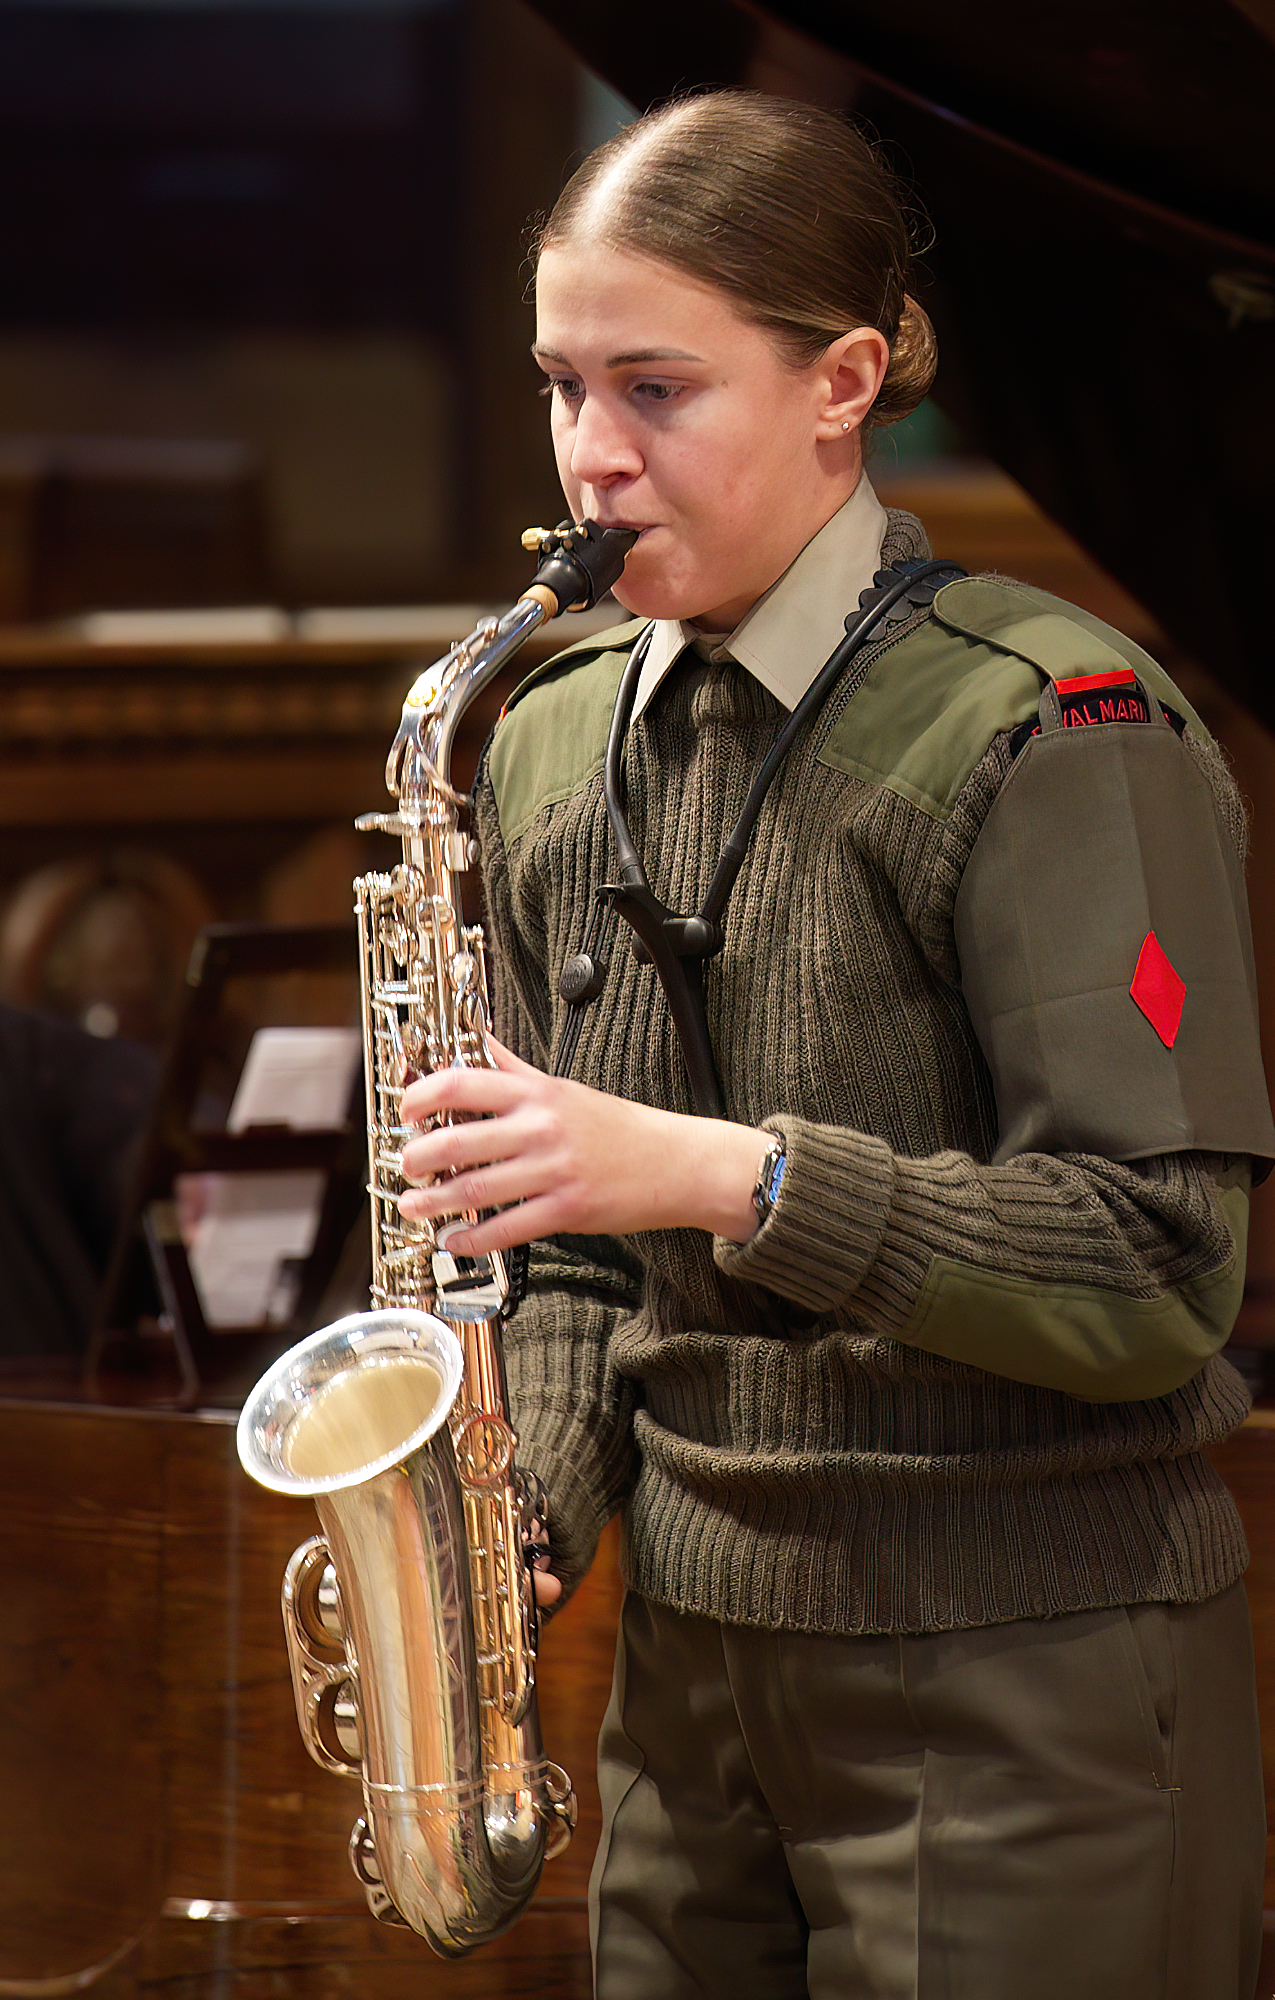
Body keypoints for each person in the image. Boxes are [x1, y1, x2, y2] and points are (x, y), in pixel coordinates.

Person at [397, 89, 1274, 2000]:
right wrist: (520, 1511)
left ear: (844, 383)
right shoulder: (548, 738)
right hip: (686, 1682)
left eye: (657, 390)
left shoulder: (1059, 724)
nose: (591, 454)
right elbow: (562, 1254)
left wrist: (732, 1176)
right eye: (562, 387)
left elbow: (1158, 1267)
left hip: (1025, 1684)